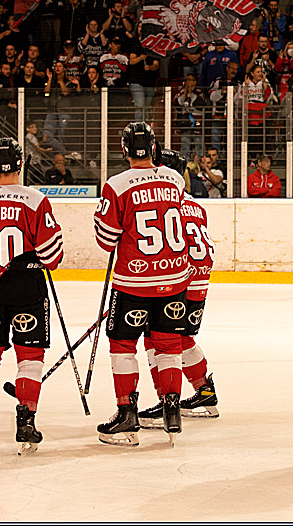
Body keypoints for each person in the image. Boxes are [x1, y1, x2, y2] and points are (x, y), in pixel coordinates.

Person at [0, 137, 64, 455]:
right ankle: (26, 422)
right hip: (27, 286)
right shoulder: (35, 200)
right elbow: (53, 256)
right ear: (23, 163)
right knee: (30, 359)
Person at [93, 122, 192, 446]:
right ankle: (172, 410)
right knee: (168, 346)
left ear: (124, 150)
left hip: (134, 282)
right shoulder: (175, 179)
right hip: (175, 279)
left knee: (123, 346)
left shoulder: (116, 184)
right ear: (153, 148)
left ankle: (127, 414)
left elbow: (106, 240)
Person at [137, 149, 220, 425]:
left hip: (175, 282)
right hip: (200, 280)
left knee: (155, 339)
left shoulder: (162, 201)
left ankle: (165, 402)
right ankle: (205, 391)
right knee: (183, 339)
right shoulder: (196, 205)